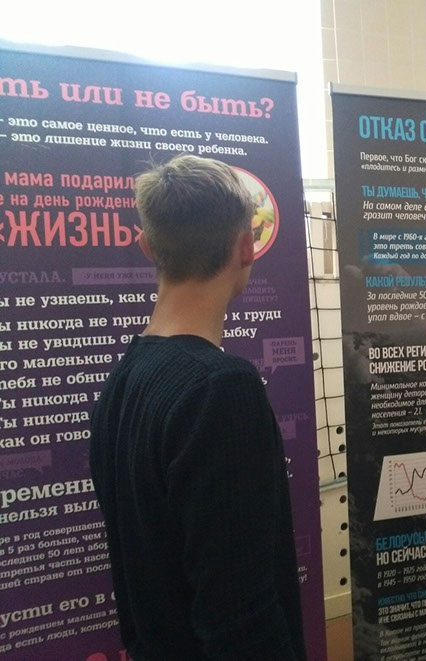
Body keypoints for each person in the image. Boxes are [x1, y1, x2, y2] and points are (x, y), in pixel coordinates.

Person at [89, 154, 306, 660]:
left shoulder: (123, 381)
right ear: (246, 246)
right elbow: (240, 619)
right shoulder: (220, 389)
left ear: (147, 247)